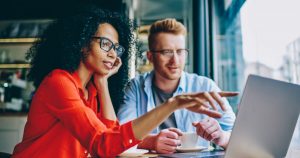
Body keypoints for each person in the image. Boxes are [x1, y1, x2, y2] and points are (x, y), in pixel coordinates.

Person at [11, 7, 237, 158]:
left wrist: (101, 82)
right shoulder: (59, 82)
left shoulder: (91, 90)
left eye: (116, 47)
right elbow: (103, 144)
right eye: (105, 44)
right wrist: (172, 104)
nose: (113, 53)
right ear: (81, 44)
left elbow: (111, 136)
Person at [117, 18, 236, 154]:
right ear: (150, 56)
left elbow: (238, 136)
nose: (175, 60)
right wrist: (152, 142)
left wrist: (222, 137)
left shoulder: (205, 86)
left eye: (180, 51)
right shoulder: (135, 87)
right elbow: (120, 136)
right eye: (166, 52)